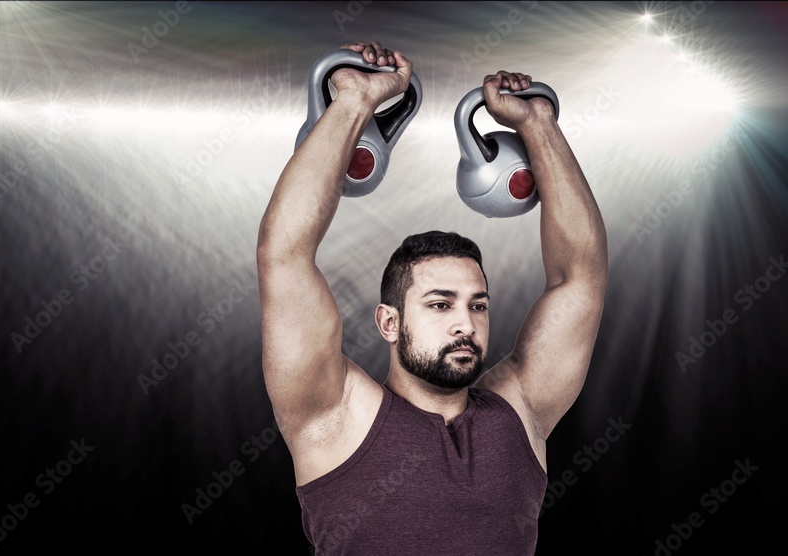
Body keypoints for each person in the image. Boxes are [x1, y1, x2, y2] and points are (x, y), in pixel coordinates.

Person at [256, 40, 608, 555]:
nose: (465, 323)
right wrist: (354, 101)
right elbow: (283, 254)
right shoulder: (333, 413)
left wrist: (537, 125)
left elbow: (581, 276)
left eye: (478, 304)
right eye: (440, 304)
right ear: (389, 322)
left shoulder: (521, 412)